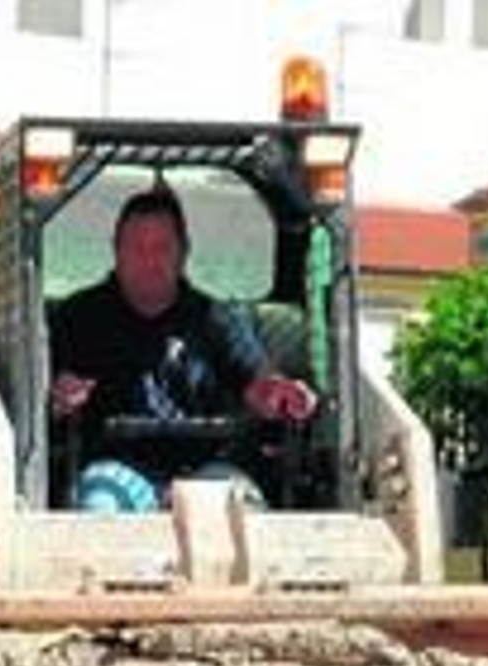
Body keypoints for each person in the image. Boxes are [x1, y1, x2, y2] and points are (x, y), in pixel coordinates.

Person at [47, 186, 316, 507]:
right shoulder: (79, 318)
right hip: (115, 467)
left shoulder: (216, 318)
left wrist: (280, 394)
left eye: (162, 248)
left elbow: (256, 382)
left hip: (206, 469)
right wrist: (60, 397)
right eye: (137, 248)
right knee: (100, 504)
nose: (150, 261)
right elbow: (48, 397)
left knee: (245, 512)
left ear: (184, 252)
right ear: (116, 252)